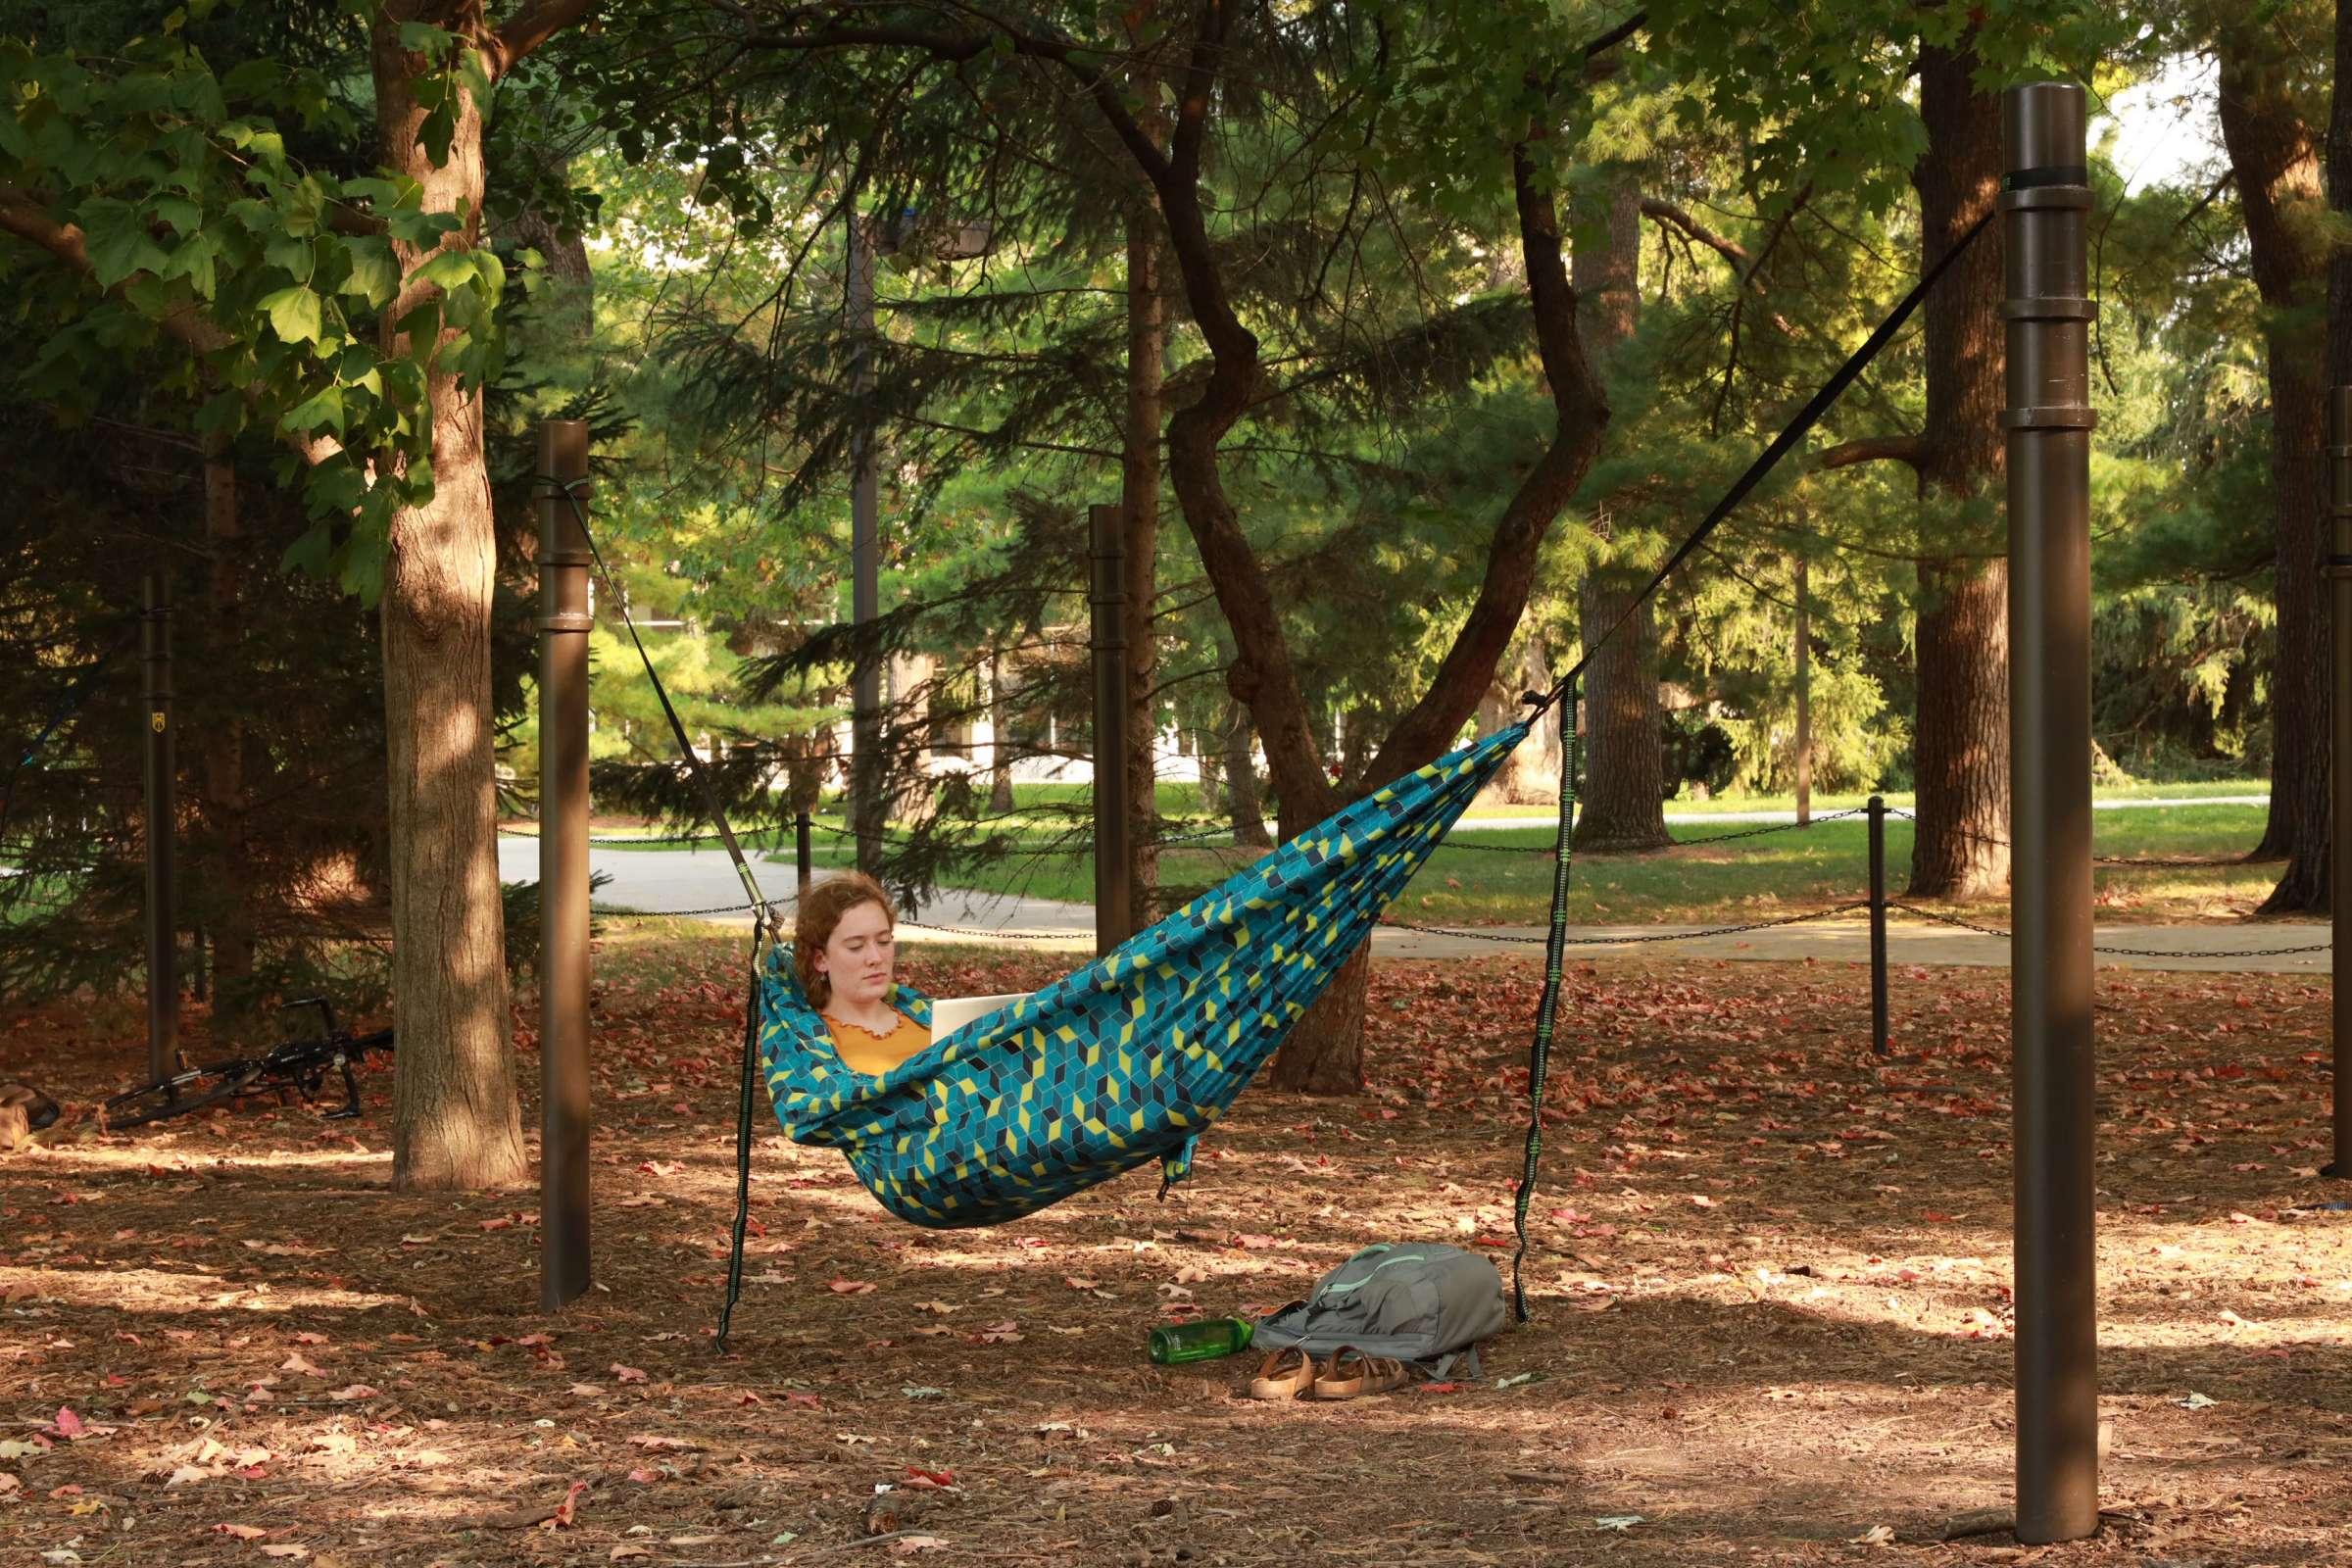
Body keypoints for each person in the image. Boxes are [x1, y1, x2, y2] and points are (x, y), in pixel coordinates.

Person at [794, 871, 930, 1076]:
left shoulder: (928, 1016)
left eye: (884, 941)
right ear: (821, 960)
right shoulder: (810, 1046)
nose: (875, 957)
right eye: (856, 947)